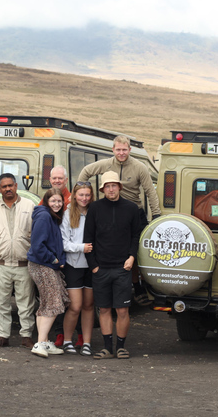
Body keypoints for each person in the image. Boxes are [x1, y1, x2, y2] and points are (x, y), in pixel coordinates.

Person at [78, 135, 160, 304]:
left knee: (137, 248)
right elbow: (86, 172)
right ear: (113, 150)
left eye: (124, 150)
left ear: (129, 150)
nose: (121, 153)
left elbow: (150, 191)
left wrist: (157, 214)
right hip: (110, 209)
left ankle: (138, 283)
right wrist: (82, 195)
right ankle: (111, 279)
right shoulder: (106, 164)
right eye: (118, 150)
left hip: (133, 211)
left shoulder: (139, 167)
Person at [84, 171, 143, 359]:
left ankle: (121, 347)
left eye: (114, 185)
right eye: (107, 186)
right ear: (102, 189)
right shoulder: (94, 208)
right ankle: (108, 347)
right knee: (104, 309)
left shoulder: (132, 209)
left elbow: (136, 236)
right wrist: (93, 265)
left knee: (123, 309)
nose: (111, 189)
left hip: (122, 268)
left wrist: (132, 257)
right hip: (100, 268)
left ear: (120, 187)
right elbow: (88, 238)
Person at [0, 173, 36, 349]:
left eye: (10, 185)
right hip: (2, 264)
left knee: (26, 302)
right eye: (4, 186)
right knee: (1, 302)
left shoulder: (29, 206)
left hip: (24, 264)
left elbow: (37, 234)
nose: (8, 189)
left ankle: (26, 336)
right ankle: (3, 336)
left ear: (16, 186)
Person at [27, 189, 70, 357]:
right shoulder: (44, 216)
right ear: (46, 201)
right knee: (53, 302)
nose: (57, 204)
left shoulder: (51, 216)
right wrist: (53, 260)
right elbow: (37, 245)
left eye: (59, 201)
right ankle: (39, 344)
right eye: (53, 201)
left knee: (47, 302)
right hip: (42, 265)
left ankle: (43, 342)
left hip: (46, 265)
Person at [60, 181, 96, 356]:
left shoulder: (95, 213)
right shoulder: (67, 214)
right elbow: (64, 243)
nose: (84, 198)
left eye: (87, 195)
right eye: (81, 195)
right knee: (75, 306)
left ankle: (87, 342)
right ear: (74, 195)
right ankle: (67, 340)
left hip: (92, 266)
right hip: (73, 264)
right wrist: (81, 247)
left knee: (89, 305)